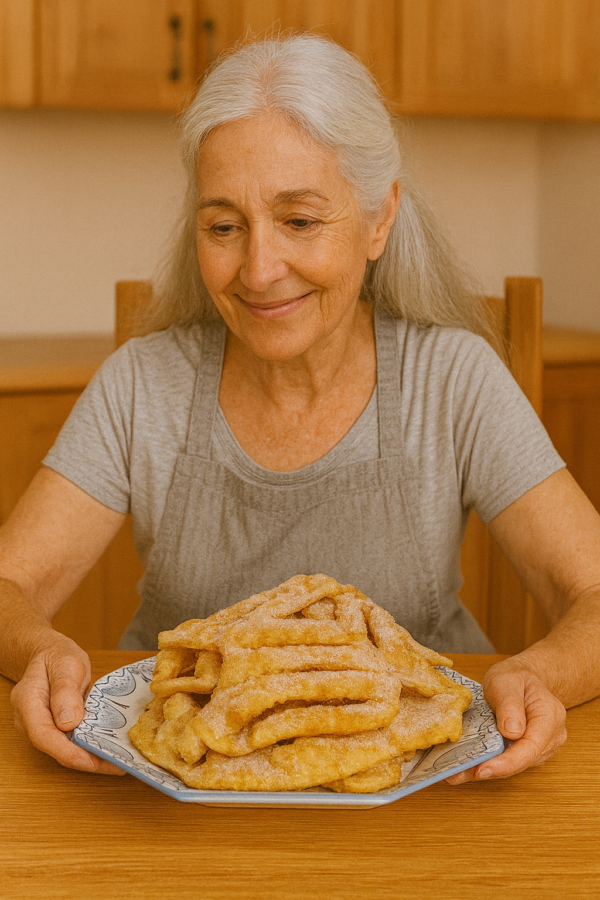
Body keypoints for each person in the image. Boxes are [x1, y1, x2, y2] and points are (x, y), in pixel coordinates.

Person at [1, 35, 599, 786]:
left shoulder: (452, 380)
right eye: (224, 227)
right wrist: (39, 653)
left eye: (301, 221)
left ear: (380, 219)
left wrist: (544, 671)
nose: (258, 270)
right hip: (178, 798)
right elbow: (9, 586)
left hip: (427, 790)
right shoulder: (141, 386)